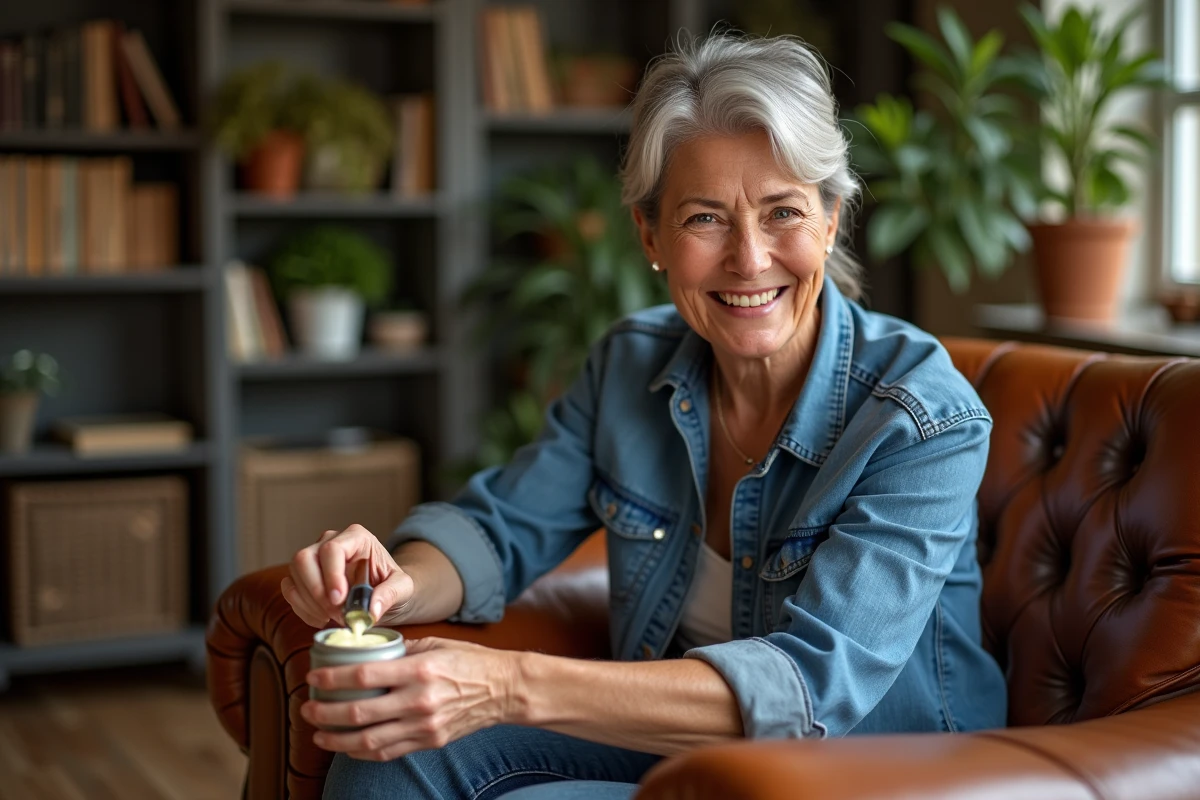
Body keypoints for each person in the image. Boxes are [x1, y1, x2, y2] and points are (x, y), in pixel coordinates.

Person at [282, 32, 1008, 800]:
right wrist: (394, 585)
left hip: (872, 774)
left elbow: (808, 689)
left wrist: (506, 686)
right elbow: (501, 530)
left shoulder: (922, 419)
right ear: (650, 235)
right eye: (704, 219)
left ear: (831, 220)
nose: (749, 258)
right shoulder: (629, 366)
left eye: (784, 212)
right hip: (682, 750)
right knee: (388, 746)